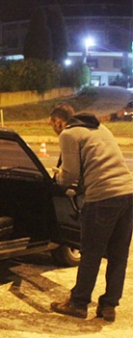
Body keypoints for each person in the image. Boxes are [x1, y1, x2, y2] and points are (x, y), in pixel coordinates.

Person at [48, 104, 133, 322]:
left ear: (59, 121)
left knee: (91, 253)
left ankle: (78, 303)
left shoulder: (68, 134)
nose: (54, 129)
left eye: (52, 125)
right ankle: (109, 306)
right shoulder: (100, 128)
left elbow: (69, 175)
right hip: (128, 193)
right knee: (118, 254)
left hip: (103, 198)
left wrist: (56, 176)